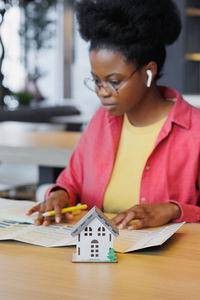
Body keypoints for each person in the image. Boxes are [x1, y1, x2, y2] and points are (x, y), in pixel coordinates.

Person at [28, 0, 200, 229]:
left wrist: (173, 210)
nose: (102, 91)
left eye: (114, 82)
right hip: (98, 256)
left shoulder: (194, 130)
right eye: (96, 80)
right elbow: (72, 181)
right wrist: (60, 195)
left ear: (149, 72)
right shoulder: (101, 120)